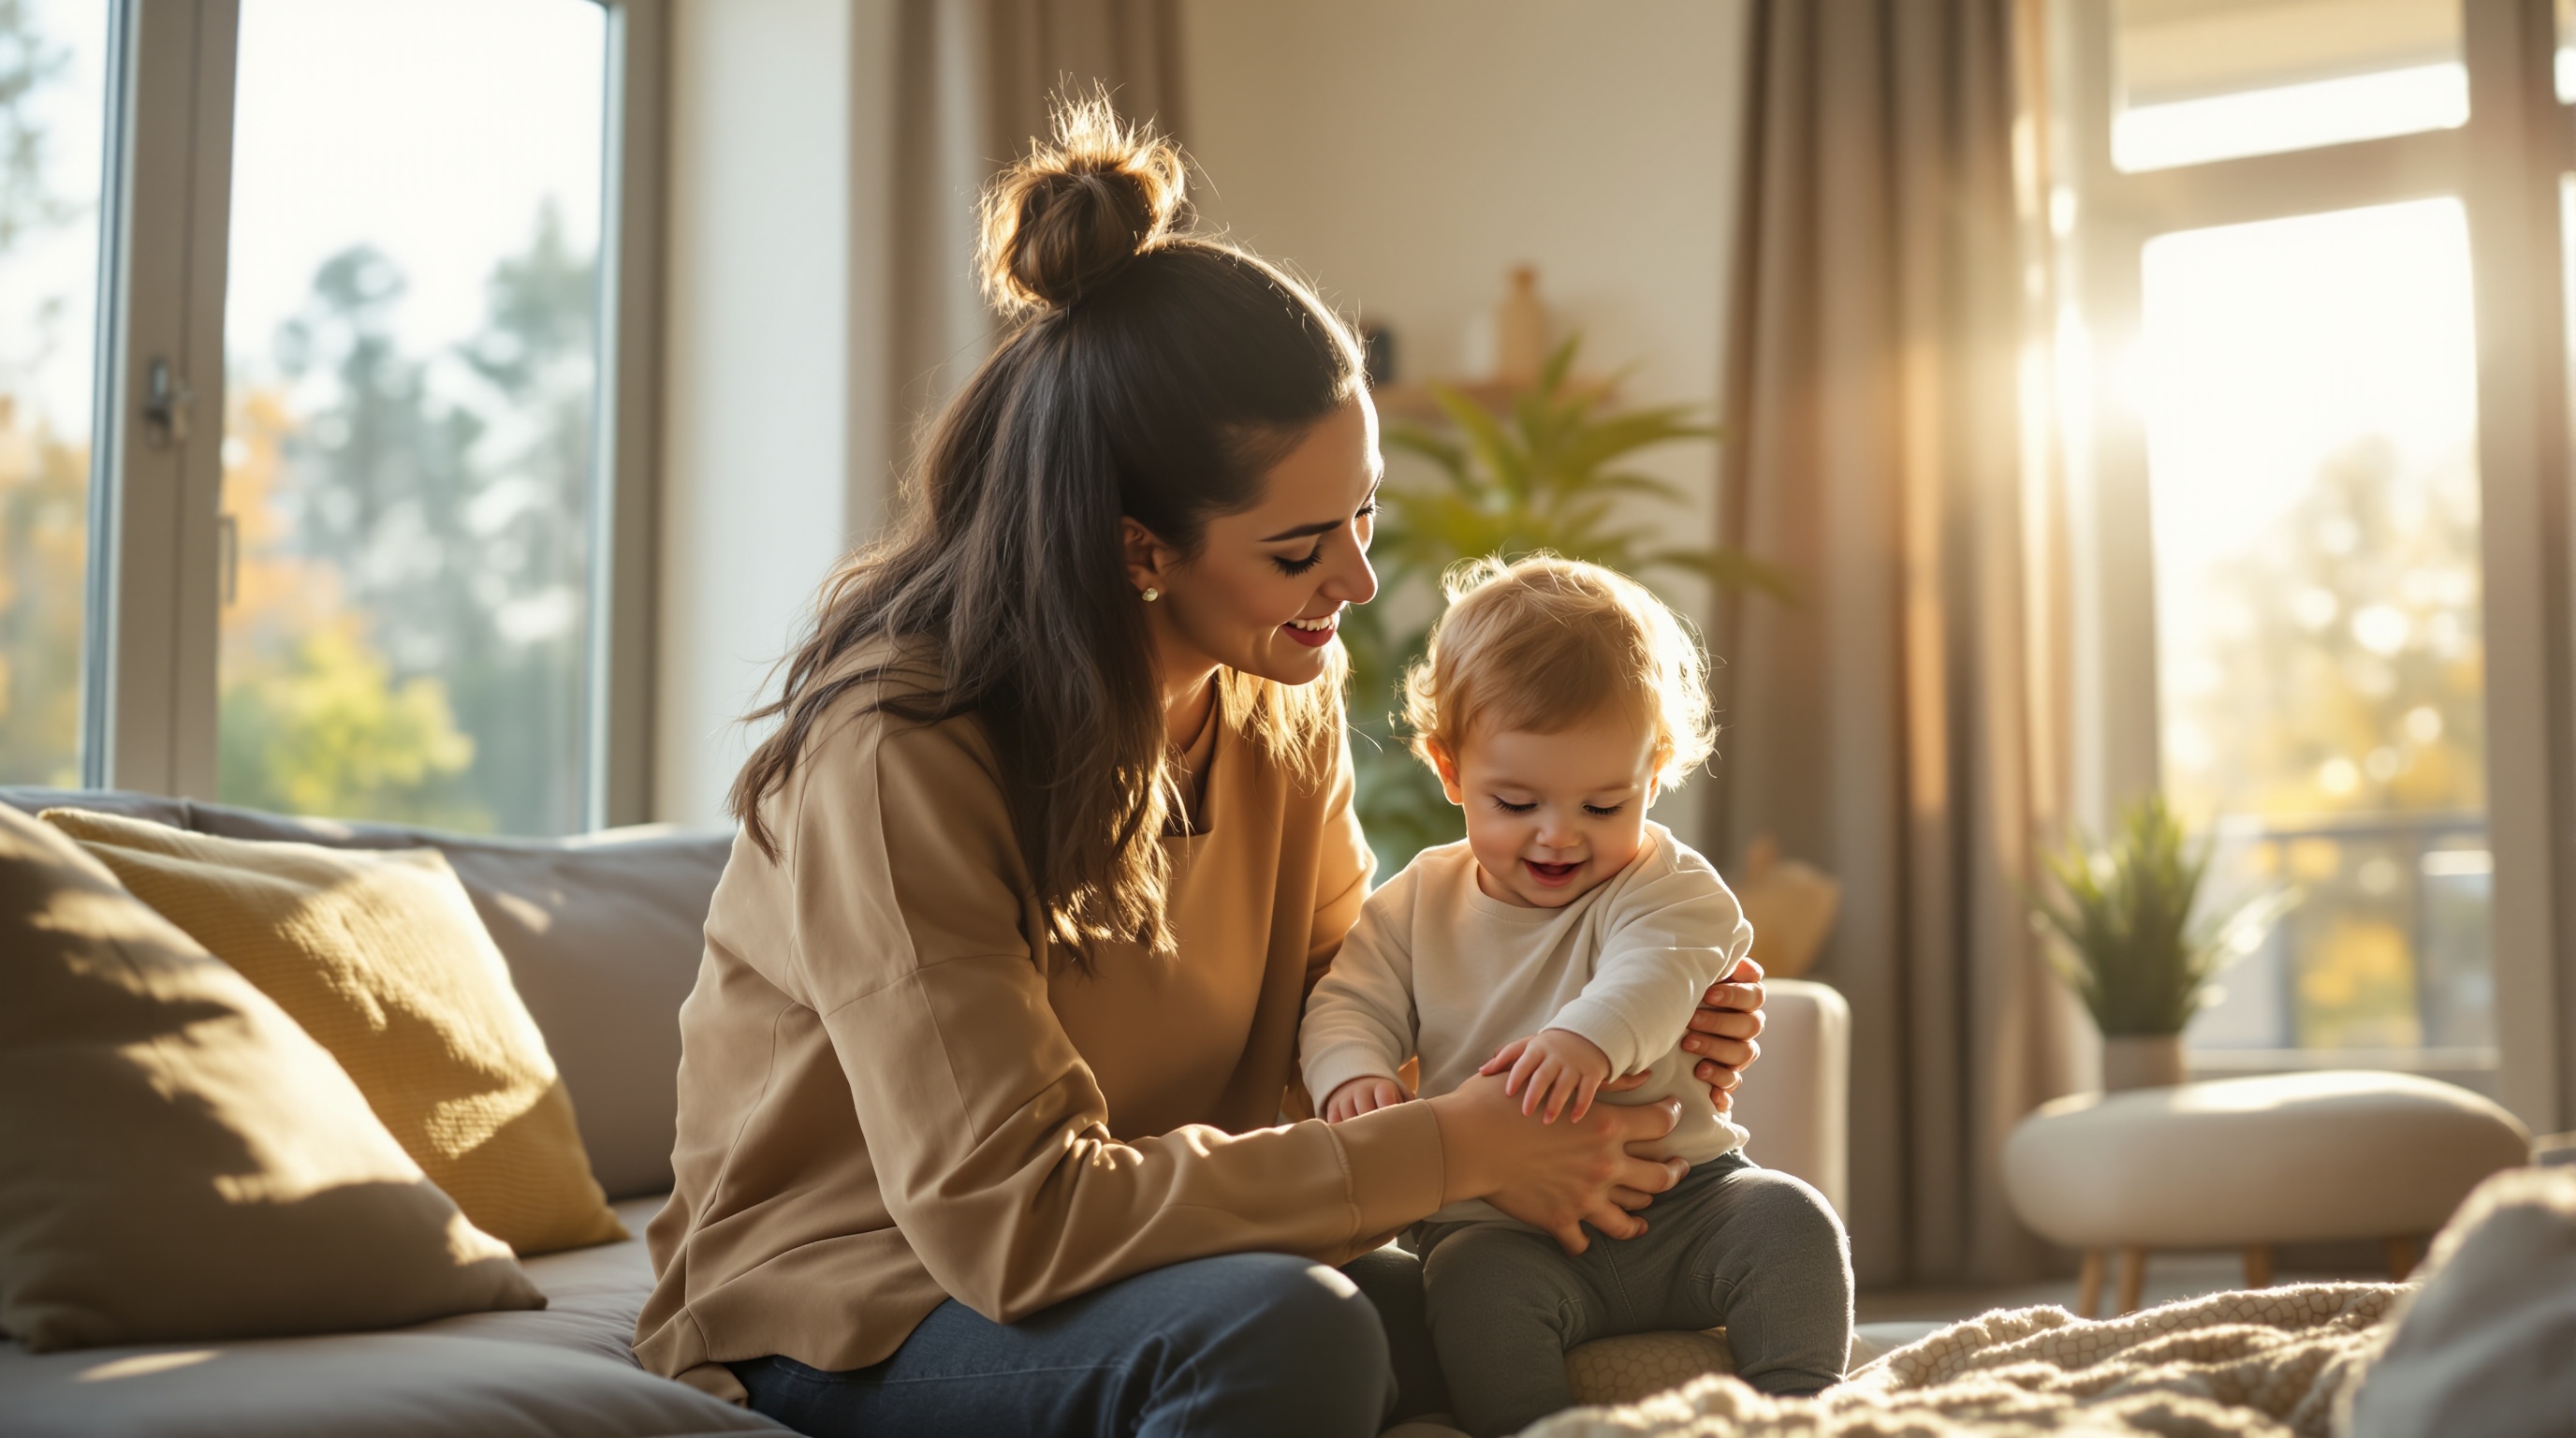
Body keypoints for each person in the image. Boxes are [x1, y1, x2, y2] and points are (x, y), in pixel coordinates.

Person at [632, 100, 1770, 1438]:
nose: (1354, 581)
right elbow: (1017, 1225)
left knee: (1488, 1304)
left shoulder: (1277, 696)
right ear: (1138, 551)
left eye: (1364, 515)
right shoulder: (899, 758)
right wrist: (1462, 1146)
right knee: (1301, 1336)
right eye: (1300, 549)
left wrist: (1603, 1026)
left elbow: (1355, 1020)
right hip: (855, 1305)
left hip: (1162, 1261)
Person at [1302, 556, 1853, 1437]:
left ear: (1656, 771)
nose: (1559, 835)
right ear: (1450, 770)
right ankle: (1537, 1427)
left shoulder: (1671, 885)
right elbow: (1345, 1001)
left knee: (1790, 1221)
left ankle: (1801, 1406)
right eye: (1516, 802)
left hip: (1685, 1199)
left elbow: (1659, 968)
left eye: (1604, 805)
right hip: (1503, 1230)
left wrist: (1586, 1040)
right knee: (1472, 1294)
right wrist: (1352, 1076)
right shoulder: (1414, 902)